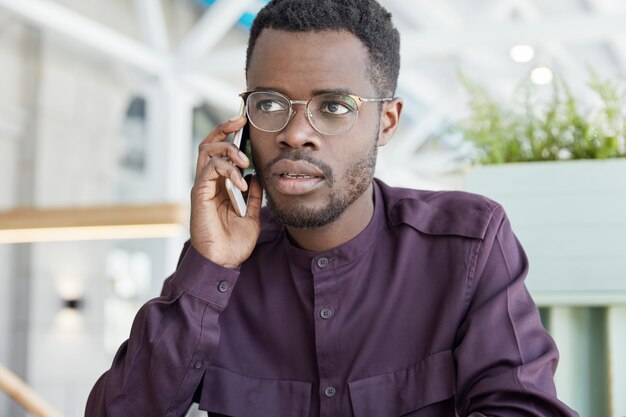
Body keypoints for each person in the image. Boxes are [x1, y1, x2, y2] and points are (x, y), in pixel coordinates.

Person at [86, 0, 579, 416]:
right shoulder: (217, 271)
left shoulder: (468, 244)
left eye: (334, 107)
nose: (294, 132)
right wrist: (208, 267)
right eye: (270, 103)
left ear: (386, 123)